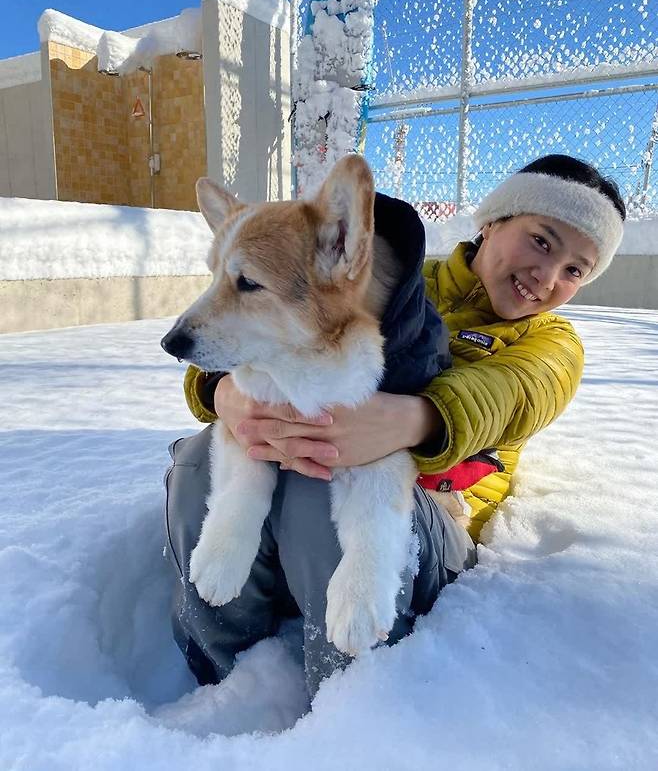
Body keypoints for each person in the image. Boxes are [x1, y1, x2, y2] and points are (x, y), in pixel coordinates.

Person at [163, 147, 626, 702]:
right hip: (306, 494)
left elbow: (510, 395)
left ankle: (344, 709)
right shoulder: (387, 273)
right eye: (542, 240)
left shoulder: (551, 343)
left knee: (322, 478)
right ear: (494, 222)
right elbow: (258, 336)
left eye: (575, 269)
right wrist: (224, 390)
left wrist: (415, 419)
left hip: (430, 518)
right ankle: (220, 684)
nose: (547, 276)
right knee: (198, 463)